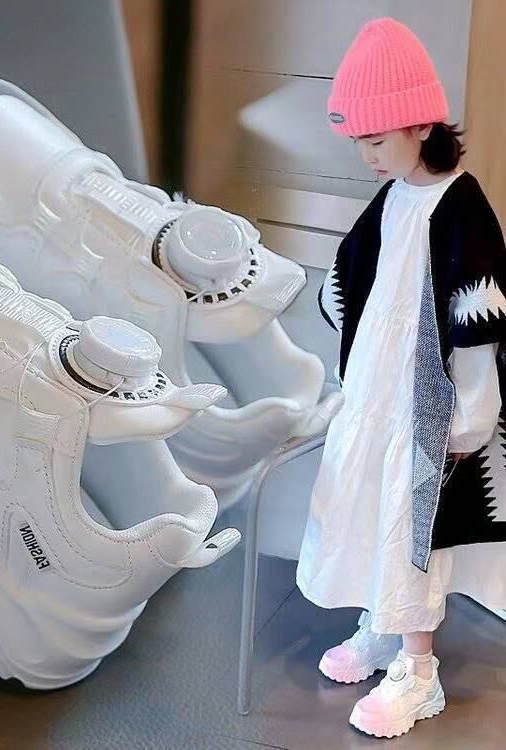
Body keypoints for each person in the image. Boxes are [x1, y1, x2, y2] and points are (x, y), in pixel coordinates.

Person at [296, 17, 506, 739]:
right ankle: (382, 628)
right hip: (378, 398)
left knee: (415, 530)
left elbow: (478, 323)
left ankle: (420, 671)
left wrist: (469, 420)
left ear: (421, 124)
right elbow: (352, 277)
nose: (367, 156)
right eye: (359, 141)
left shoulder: (461, 206)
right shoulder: (394, 196)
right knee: (367, 507)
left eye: (377, 140)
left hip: (426, 411)